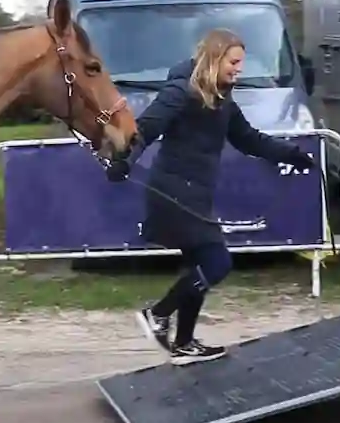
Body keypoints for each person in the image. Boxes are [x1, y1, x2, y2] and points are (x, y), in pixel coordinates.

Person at [106, 28, 315, 365]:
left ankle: (184, 344)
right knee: (217, 263)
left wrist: (292, 154)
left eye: (240, 63)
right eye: (233, 62)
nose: (239, 69)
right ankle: (158, 314)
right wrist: (124, 162)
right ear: (214, 59)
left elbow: (249, 139)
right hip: (174, 193)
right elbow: (145, 130)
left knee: (200, 266)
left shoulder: (221, 100)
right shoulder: (180, 92)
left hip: (196, 194)